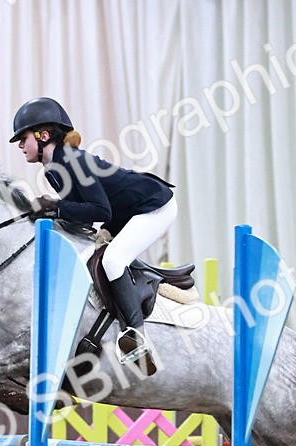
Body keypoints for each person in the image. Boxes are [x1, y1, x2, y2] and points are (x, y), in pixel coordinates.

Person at [10, 97, 176, 371]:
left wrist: (56, 206)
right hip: (127, 213)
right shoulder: (53, 169)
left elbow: (100, 211)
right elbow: (82, 212)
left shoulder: (73, 162)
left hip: (155, 205)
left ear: (43, 135)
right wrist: (51, 212)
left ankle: (136, 336)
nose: (19, 145)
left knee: (113, 260)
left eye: (23, 137)